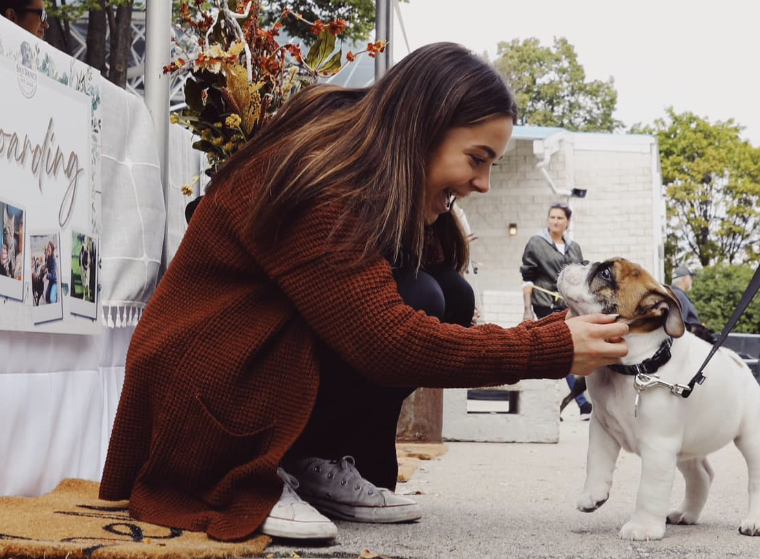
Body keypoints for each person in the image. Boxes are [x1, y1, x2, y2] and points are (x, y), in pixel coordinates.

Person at [99, 43, 628, 543]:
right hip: (201, 393)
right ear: (423, 129)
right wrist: (548, 346)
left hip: (245, 364)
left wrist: (432, 208)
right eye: (477, 158)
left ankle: (311, 460)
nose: (484, 183)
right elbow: (388, 341)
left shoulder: (373, 175)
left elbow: (426, 288)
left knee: (445, 294)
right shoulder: (318, 177)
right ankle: (243, 471)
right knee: (417, 304)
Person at [520, 203, 592, 419]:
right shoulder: (536, 243)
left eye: (560, 218)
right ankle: (580, 403)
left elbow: (580, 280)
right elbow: (527, 278)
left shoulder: (574, 247)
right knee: (563, 351)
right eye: (552, 217)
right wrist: (527, 309)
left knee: (560, 354)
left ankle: (557, 407)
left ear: (567, 222)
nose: (555, 221)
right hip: (545, 306)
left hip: (568, 308)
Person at [670, 264, 701, 330]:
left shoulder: (675, 293)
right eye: (690, 278)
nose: (692, 280)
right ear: (684, 279)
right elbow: (679, 327)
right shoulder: (679, 296)